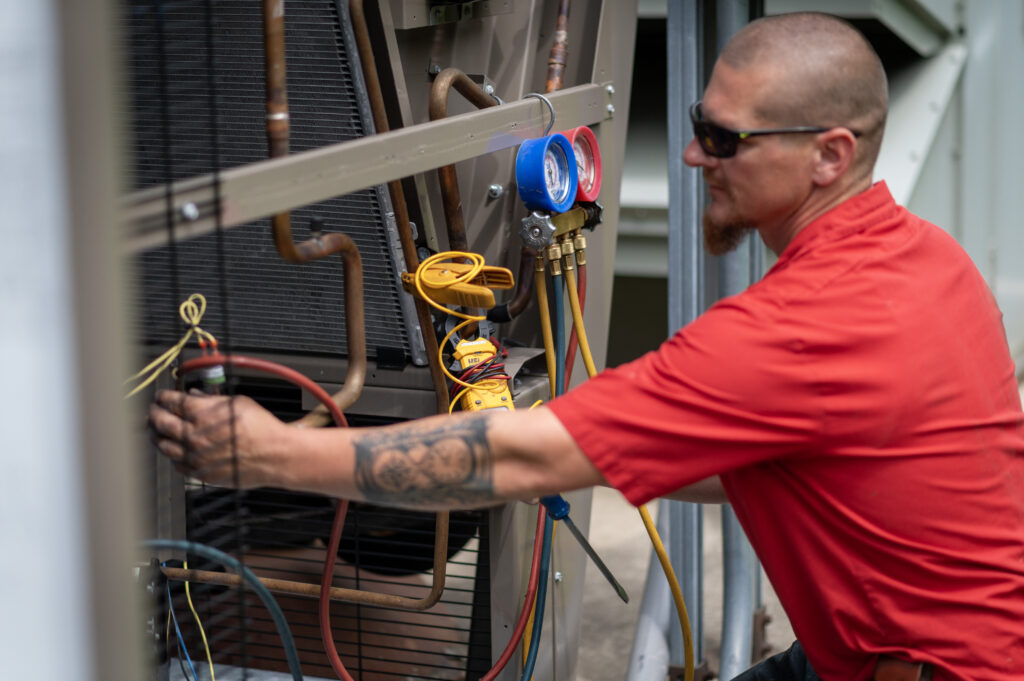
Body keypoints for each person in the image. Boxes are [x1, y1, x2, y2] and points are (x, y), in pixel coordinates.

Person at [149, 12, 1024, 681]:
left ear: (830, 155)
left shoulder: (798, 327)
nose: (691, 155)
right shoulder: (927, 259)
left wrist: (276, 452)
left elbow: (525, 458)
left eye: (725, 139)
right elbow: (803, 461)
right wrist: (620, 447)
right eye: (696, 122)